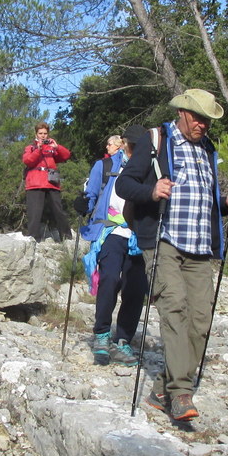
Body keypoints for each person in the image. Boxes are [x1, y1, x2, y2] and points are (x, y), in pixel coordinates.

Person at [116, 88, 228, 422]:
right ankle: (182, 393)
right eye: (199, 118)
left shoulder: (208, 149)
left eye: (207, 119)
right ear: (183, 114)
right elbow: (124, 185)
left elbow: (204, 201)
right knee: (173, 307)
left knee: (200, 322)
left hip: (201, 247)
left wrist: (225, 207)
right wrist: (151, 190)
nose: (203, 124)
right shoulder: (155, 140)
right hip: (164, 241)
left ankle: (162, 389)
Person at [84, 125, 148, 366]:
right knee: (110, 279)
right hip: (110, 231)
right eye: (130, 143)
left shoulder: (150, 167)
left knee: (135, 288)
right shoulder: (106, 165)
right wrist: (84, 205)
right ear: (123, 143)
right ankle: (101, 335)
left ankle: (123, 341)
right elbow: (91, 194)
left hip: (139, 235)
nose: (132, 148)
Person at [22, 122, 72, 242]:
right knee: (34, 213)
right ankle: (33, 240)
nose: (43, 136)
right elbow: (27, 160)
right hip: (35, 183)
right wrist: (38, 149)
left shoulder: (52, 148)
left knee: (58, 211)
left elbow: (66, 156)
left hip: (52, 183)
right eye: (40, 133)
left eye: (45, 133)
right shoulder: (30, 147)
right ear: (36, 134)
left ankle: (66, 238)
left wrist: (57, 147)